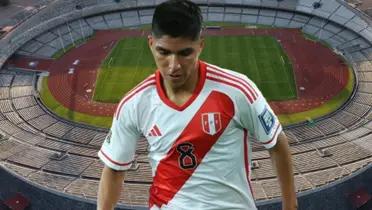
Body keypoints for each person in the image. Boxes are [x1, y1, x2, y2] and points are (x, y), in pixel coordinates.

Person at [97, 0, 298, 209]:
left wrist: (290, 206)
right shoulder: (134, 103)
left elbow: (276, 144)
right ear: (150, 44)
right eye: (164, 52)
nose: (173, 65)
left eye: (185, 53)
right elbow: (114, 169)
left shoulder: (237, 90)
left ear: (200, 46)